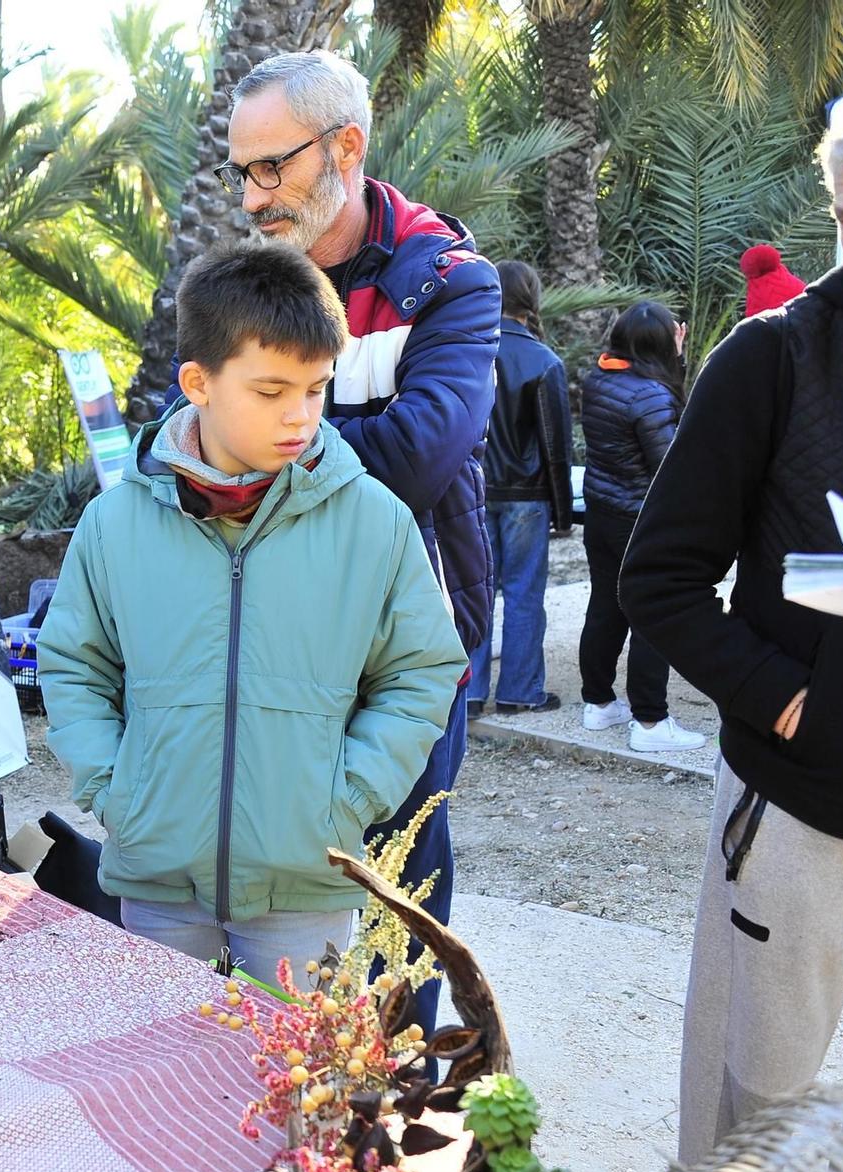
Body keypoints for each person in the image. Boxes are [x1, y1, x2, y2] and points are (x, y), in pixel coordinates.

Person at [37, 244, 465, 985]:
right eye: (270, 392)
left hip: (308, 883)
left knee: (308, 1094)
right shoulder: (114, 524)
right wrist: (115, 790)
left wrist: (350, 798)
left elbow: (423, 669)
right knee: (164, 1083)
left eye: (315, 389)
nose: (299, 417)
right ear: (197, 383)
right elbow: (75, 664)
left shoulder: (374, 521)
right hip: (157, 882)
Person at [622, 71, 843, 1162]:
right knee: (746, 1129)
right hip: (795, 813)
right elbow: (660, 580)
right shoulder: (769, 358)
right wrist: (787, 702)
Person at [217, 49, 501, 1030]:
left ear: (344, 146)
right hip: (267, 644)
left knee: (396, 901)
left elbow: (417, 459)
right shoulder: (242, 284)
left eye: (271, 168)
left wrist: (255, 441)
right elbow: (170, 438)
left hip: (402, 656)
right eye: (240, 172)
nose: (253, 195)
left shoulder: (448, 281)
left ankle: (391, 1121)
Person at [579, 301, 707, 752]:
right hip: (639, 519)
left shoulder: (600, 379)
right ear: (659, 344)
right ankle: (650, 723)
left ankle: (597, 704)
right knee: (652, 613)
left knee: (606, 607)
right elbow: (671, 464)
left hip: (602, 513)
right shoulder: (651, 394)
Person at [470, 260, 573, 719]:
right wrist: (564, 512)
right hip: (527, 497)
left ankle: (470, 693)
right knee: (524, 593)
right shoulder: (544, 362)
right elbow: (556, 447)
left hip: (472, 490)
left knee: (474, 591)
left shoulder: (468, 350)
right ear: (531, 299)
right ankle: (520, 691)